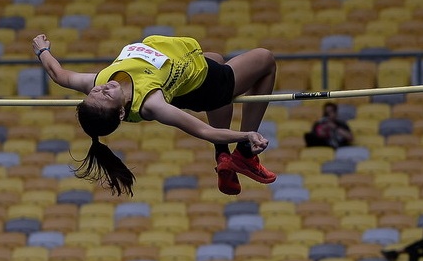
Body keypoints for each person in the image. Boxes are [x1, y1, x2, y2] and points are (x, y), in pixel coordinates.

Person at [32, 34, 277, 197]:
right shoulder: (151, 103)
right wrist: (246, 134)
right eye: (104, 95)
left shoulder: (99, 82)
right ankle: (243, 154)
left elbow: (59, 75)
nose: (102, 88)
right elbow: (203, 130)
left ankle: (222, 155)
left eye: (95, 91)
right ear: (120, 113)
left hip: (188, 74)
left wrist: (42, 50)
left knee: (215, 58)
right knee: (265, 59)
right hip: (203, 80)